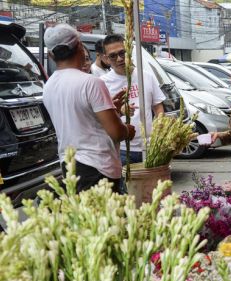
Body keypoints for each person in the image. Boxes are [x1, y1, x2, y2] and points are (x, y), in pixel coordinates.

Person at [42, 24, 135, 193]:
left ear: (51, 55)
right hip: (98, 169)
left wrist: (111, 110)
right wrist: (129, 130)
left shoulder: (48, 86)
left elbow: (79, 120)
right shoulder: (91, 83)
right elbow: (117, 133)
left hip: (69, 166)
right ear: (79, 46)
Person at [101, 34, 166, 164]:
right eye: (113, 56)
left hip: (150, 145)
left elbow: (158, 106)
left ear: (129, 51)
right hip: (122, 148)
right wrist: (119, 111)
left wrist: (160, 126)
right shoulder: (102, 83)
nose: (119, 59)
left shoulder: (146, 76)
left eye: (122, 53)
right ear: (106, 59)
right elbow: (101, 119)